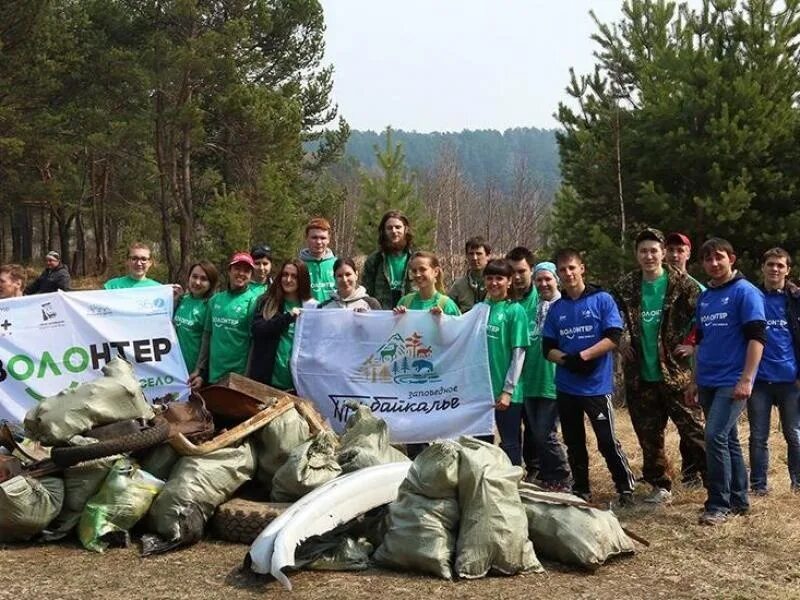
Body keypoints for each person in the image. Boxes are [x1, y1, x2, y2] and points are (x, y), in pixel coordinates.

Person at [612, 228, 705, 505]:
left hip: (676, 374)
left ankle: (718, 485)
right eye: (643, 251)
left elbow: (706, 318)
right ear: (636, 255)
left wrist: (693, 344)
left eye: (654, 250)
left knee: (695, 431)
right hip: (641, 376)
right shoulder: (626, 286)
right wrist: (620, 340)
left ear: (663, 253)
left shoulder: (684, 285)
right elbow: (609, 317)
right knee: (649, 436)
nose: (649, 256)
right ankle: (659, 485)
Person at [542, 248, 636, 505]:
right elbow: (547, 349)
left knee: (606, 441)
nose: (568, 273)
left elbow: (613, 337)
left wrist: (584, 356)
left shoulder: (602, 299)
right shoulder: (557, 309)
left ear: (582, 268)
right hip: (566, 386)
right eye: (563, 270)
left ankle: (625, 487)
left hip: (595, 386)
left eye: (572, 268)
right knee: (574, 442)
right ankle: (581, 488)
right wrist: (567, 360)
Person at [687, 238, 765, 525]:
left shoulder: (746, 293)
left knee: (714, 436)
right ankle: (739, 500)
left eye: (719, 257)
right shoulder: (706, 297)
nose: (714, 263)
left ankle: (717, 504)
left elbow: (757, 338)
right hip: (707, 378)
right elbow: (701, 341)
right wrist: (694, 380)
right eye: (708, 259)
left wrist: (747, 378)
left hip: (732, 381)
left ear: (732, 259)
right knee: (728, 439)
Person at [748, 247, 800, 495]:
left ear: (787, 270)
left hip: (790, 380)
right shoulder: (752, 297)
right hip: (759, 381)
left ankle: (798, 484)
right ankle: (759, 486)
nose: (775, 269)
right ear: (763, 267)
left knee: (794, 435)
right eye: (770, 264)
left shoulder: (796, 299)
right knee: (758, 437)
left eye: (780, 265)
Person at [520, 261, 572, 490]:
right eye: (538, 280)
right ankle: (549, 478)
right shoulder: (529, 310)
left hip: (553, 381)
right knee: (536, 435)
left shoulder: (566, 308)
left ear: (556, 280)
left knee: (545, 434)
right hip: (530, 382)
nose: (543, 284)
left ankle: (563, 475)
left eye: (547, 279)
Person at [480, 258, 530, 466]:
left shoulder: (515, 311)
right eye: (489, 278)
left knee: (510, 443)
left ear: (509, 281)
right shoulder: (480, 309)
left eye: (499, 278)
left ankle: (514, 486)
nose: (494, 283)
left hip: (506, 393)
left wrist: (508, 390)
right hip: (482, 391)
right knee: (481, 444)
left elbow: (518, 353)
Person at [193, 252, 259, 387]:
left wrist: (247, 376)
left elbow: (253, 343)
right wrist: (200, 370)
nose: (241, 273)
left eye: (246, 270)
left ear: (251, 275)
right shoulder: (215, 300)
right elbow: (207, 337)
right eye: (237, 269)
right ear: (229, 270)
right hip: (213, 374)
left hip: (237, 377)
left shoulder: (253, 301)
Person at [249, 259, 315, 389]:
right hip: (267, 380)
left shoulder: (311, 307)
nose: (288, 280)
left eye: (294, 276)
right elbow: (257, 329)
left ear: (302, 279)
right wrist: (287, 318)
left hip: (297, 384)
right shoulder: (267, 301)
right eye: (285, 274)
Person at [506, 246, 541, 481]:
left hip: (537, 376)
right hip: (509, 378)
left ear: (531, 270)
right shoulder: (502, 299)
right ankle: (512, 472)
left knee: (536, 430)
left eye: (522, 271)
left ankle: (536, 472)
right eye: (513, 272)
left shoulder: (542, 296)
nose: (517, 277)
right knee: (511, 431)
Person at [174, 261, 219, 379]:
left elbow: (208, 342)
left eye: (204, 279)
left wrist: (201, 372)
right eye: (194, 276)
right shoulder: (183, 300)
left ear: (211, 283)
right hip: (174, 367)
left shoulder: (211, 305)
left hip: (193, 373)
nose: (197, 282)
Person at [361, 210, 415, 309]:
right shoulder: (374, 260)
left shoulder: (416, 259)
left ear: (405, 229)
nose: (394, 231)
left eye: (398, 227)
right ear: (384, 231)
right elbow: (366, 293)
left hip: (409, 315)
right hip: (382, 316)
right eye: (389, 228)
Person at [394, 251, 460, 316]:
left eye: (423, 269)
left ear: (436, 271)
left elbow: (460, 326)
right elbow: (394, 326)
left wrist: (444, 320)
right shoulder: (405, 302)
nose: (417, 274)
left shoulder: (447, 305)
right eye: (414, 271)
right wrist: (398, 319)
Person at [299, 218, 336, 303]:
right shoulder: (298, 266)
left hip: (333, 314)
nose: (319, 242)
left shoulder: (337, 264)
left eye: (323, 238)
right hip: (307, 315)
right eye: (314, 237)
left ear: (328, 239)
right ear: (306, 238)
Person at [448, 237, 490, 313]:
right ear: (467, 256)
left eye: (479, 254)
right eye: (471, 254)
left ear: (488, 256)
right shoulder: (459, 285)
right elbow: (448, 309)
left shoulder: (497, 283)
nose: (474, 258)